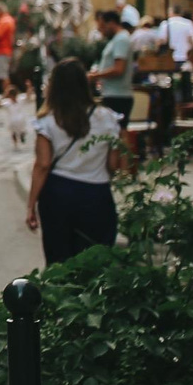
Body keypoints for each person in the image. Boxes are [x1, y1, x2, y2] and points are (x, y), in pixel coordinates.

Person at [26, 58, 121, 263]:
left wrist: (31, 204)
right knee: (96, 263)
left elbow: (42, 165)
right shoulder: (108, 118)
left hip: (58, 195)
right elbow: (114, 165)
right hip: (97, 195)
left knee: (59, 261)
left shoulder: (48, 122)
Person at [0, 3, 17, 94]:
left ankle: (8, 93)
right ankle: (6, 93)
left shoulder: (4, 21)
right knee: (3, 74)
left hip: (2, 51)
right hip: (5, 51)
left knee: (4, 75)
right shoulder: (8, 20)